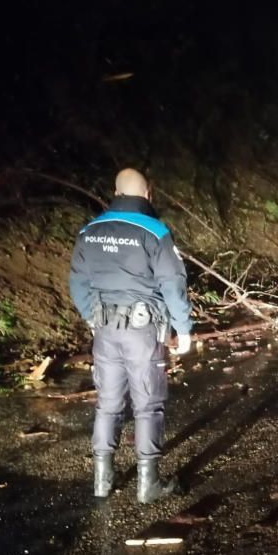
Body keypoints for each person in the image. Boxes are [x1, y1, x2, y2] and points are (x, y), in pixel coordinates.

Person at [68, 168, 193, 503]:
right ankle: (147, 484)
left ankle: (102, 481)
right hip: (143, 331)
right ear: (148, 194)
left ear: (115, 191)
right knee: (147, 406)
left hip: (105, 329)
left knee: (107, 404)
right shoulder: (154, 231)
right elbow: (172, 284)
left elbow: (78, 283)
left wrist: (93, 318)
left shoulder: (89, 231)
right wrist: (183, 328)